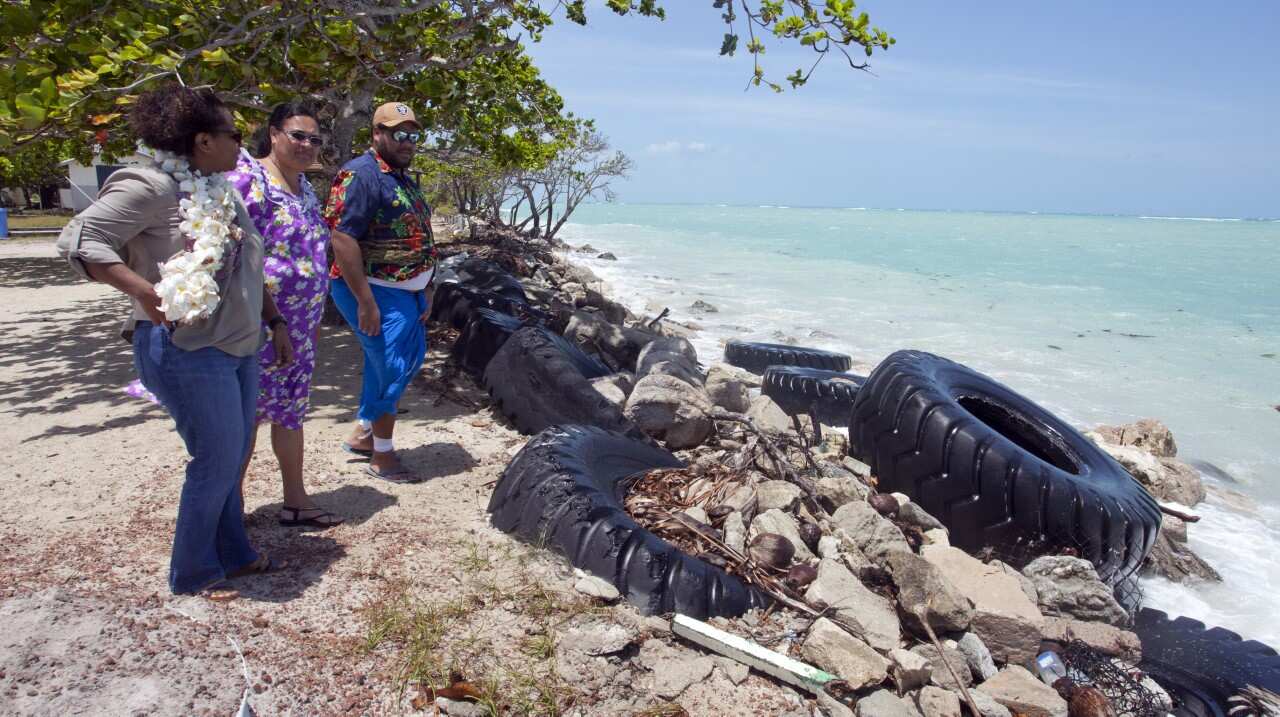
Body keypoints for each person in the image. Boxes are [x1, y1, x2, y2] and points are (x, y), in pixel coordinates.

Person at [56, 84, 294, 600]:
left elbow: (251, 265)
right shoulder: (150, 187)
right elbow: (80, 238)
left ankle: (235, 552)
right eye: (234, 134)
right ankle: (194, 571)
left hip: (239, 343)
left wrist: (274, 322)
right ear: (203, 140)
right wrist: (145, 291)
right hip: (185, 349)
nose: (242, 143)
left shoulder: (219, 188)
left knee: (231, 455)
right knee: (215, 458)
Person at [227, 101, 343, 528]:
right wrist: (273, 319)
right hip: (256, 324)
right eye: (298, 135)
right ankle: (230, 507)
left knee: (290, 411)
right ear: (273, 134)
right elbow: (228, 251)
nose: (307, 145)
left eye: (315, 139)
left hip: (300, 328)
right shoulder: (248, 180)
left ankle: (295, 499)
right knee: (246, 416)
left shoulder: (305, 188)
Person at [323, 102, 437, 483]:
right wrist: (365, 302)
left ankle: (364, 433)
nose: (407, 142)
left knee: (390, 365)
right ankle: (382, 456)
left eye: (412, 135)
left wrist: (427, 286)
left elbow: (419, 234)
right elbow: (342, 237)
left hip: (407, 290)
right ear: (377, 135)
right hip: (374, 290)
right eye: (398, 134)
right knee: (392, 368)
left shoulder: (401, 177)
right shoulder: (360, 175)